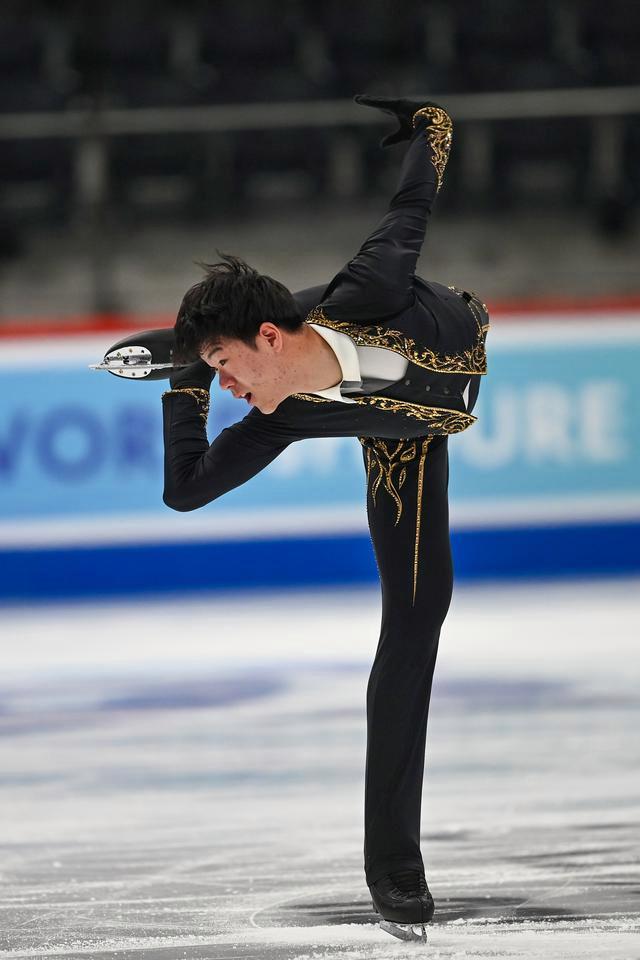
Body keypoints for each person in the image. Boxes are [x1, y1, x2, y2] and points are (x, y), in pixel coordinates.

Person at [138, 95, 489, 940]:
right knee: (415, 622)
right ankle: (395, 872)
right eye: (212, 371)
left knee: (418, 618)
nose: (228, 387)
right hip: (401, 438)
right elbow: (185, 489)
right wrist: (186, 388)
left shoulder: (371, 286)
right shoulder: (281, 415)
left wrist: (428, 124)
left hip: (444, 328)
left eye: (224, 365)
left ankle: (182, 338)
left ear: (266, 337)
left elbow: (413, 201)